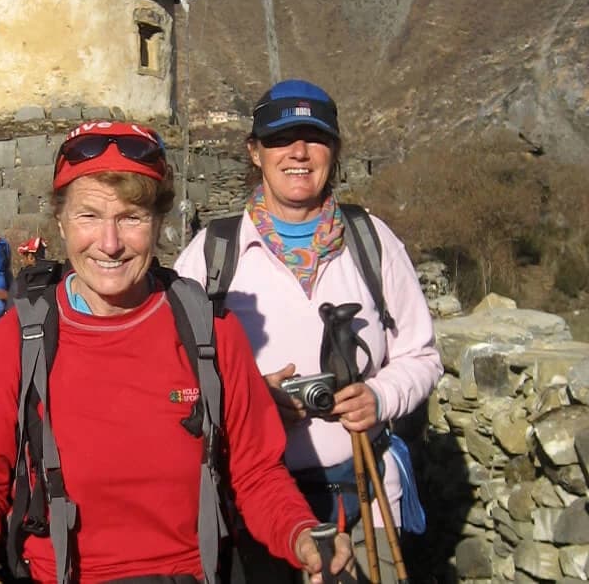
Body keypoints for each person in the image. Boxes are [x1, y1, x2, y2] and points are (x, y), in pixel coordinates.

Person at [0, 120, 354, 583]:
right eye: (89, 216)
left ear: (159, 222)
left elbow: (257, 473)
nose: (110, 243)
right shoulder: (22, 339)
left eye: (131, 217)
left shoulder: (209, 332)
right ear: (59, 221)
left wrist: (303, 536)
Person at [174, 80, 443, 583]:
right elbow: (176, 378)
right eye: (280, 139)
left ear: (334, 151)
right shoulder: (212, 256)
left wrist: (380, 397)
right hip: (252, 509)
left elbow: (422, 356)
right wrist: (250, 404)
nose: (298, 152)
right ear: (255, 152)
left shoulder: (372, 241)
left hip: (369, 501)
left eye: (314, 138)